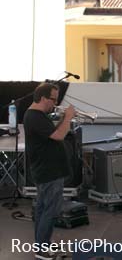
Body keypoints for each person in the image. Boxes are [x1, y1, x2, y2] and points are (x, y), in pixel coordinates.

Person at [24, 83, 76, 260]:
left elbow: (53, 133)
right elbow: (59, 136)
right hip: (48, 171)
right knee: (50, 210)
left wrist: (62, 119)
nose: (55, 103)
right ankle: (41, 250)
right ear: (43, 98)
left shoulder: (37, 115)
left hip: (48, 170)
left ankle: (42, 243)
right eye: (53, 99)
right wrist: (68, 118)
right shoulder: (35, 116)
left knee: (42, 208)